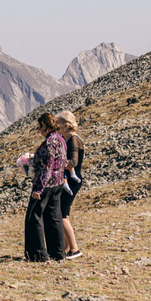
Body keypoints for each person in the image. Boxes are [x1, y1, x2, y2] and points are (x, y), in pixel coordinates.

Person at [24, 111, 67, 262]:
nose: (39, 130)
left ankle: (37, 254)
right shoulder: (61, 140)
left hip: (46, 184)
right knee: (53, 217)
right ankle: (58, 252)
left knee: (34, 217)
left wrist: (38, 189)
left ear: (44, 126)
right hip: (58, 183)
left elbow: (47, 168)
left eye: (39, 126)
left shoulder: (48, 143)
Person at [56, 110, 85, 259]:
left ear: (66, 125)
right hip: (71, 180)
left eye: (59, 124)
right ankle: (67, 248)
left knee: (61, 214)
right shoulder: (69, 138)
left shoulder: (73, 139)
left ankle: (74, 249)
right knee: (63, 212)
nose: (57, 127)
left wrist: (56, 164)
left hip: (72, 182)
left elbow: (73, 162)